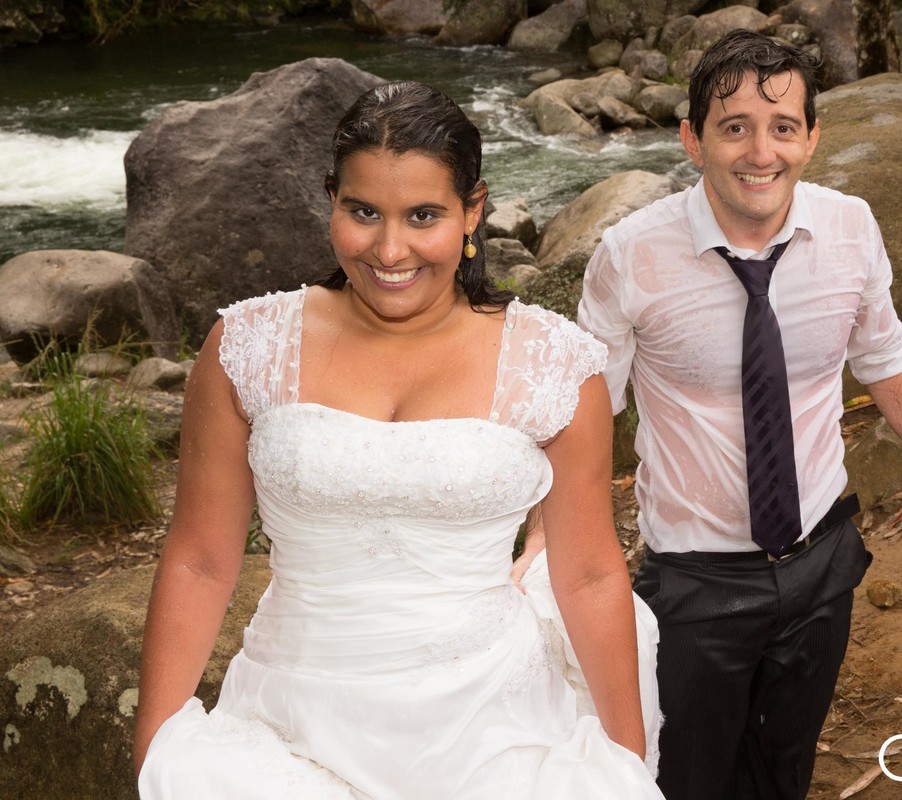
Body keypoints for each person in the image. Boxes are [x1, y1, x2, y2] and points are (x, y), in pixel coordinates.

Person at [133, 80, 664, 799]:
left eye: (423, 215)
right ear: (331, 202)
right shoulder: (247, 346)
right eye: (362, 212)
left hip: (496, 731)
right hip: (288, 730)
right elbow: (199, 560)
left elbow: (590, 573)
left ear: (473, 209)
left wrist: (624, 756)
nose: (389, 249)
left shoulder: (554, 365)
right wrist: (156, 745)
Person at [571, 29, 902, 800]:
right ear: (693, 140)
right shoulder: (629, 256)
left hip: (823, 561)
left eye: (783, 127)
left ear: (812, 137)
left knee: (784, 768)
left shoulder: (851, 228)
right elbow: (589, 411)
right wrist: (552, 542)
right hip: (693, 584)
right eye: (735, 128)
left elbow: (885, 353)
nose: (761, 153)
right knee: (686, 776)